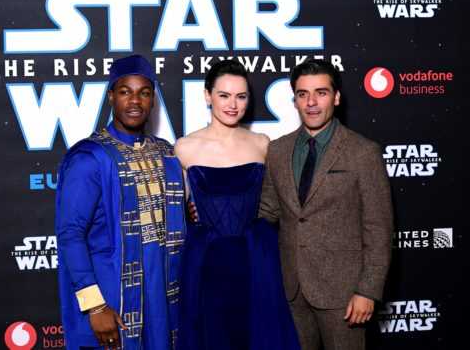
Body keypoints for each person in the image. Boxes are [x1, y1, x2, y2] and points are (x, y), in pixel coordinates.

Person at [259, 59, 394, 350]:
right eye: (302, 94)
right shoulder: (278, 150)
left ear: (336, 97)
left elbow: (379, 228)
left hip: (344, 294)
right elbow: (267, 210)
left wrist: (367, 291)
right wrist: (212, 210)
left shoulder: (362, 152)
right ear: (294, 100)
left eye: (321, 92)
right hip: (290, 290)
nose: (311, 102)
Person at [56, 54, 185, 350]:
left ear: (153, 100)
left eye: (145, 92)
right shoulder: (90, 157)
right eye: (125, 92)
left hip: (164, 294)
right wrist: (95, 306)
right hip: (113, 294)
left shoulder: (166, 153)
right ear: (111, 96)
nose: (135, 101)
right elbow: (70, 234)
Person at [174, 59, 300, 350]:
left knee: (259, 336)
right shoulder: (184, 147)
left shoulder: (262, 143)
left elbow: (277, 202)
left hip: (257, 259)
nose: (233, 104)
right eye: (224, 95)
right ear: (207, 96)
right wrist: (188, 212)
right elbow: (173, 210)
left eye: (241, 96)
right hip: (207, 262)